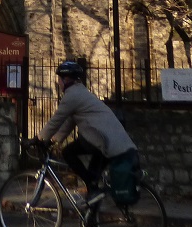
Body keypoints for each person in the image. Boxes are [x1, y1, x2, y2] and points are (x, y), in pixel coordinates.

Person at [37, 59, 138, 193]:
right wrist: (55, 140)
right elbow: (70, 122)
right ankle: (92, 202)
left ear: (66, 79)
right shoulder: (81, 92)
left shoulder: (72, 95)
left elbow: (56, 120)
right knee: (93, 181)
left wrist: (39, 139)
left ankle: (90, 185)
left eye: (59, 79)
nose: (58, 82)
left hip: (101, 142)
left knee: (68, 152)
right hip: (108, 142)